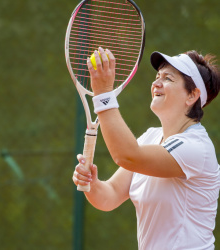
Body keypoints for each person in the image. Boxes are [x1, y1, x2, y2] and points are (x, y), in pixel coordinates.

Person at [72, 47, 220, 249]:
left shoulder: (195, 147)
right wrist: (92, 184)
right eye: (157, 76)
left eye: (168, 78)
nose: (156, 83)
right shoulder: (150, 137)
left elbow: (127, 156)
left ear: (192, 95)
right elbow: (111, 195)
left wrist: (104, 95)